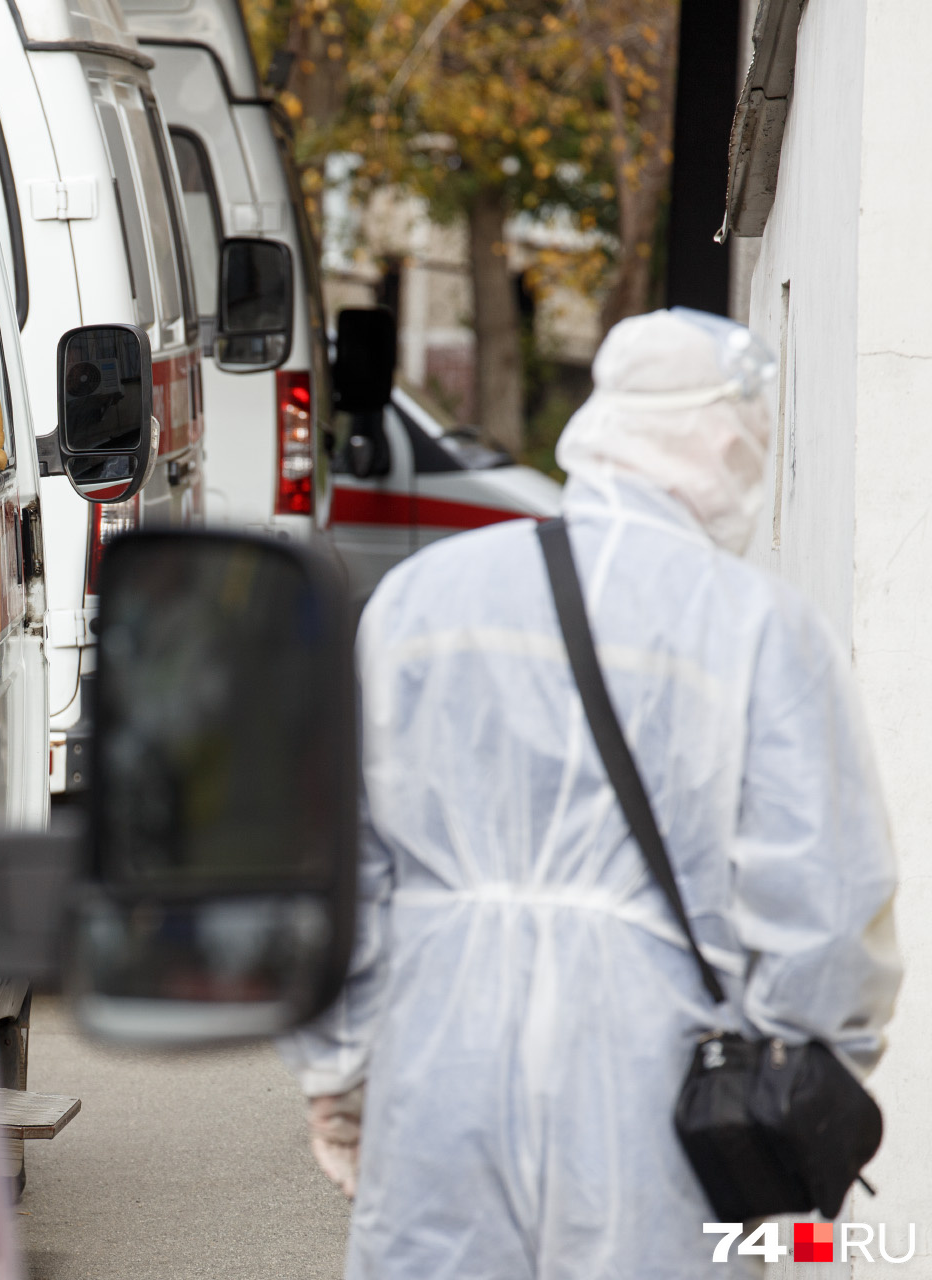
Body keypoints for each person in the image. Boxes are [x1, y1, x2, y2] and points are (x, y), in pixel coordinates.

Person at [280, 308, 901, 1277]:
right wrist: (797, 1072)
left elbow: (337, 863)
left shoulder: (417, 600)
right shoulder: (760, 630)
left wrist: (340, 1069)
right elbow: (825, 914)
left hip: (440, 1065)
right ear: (722, 438)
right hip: (656, 1082)